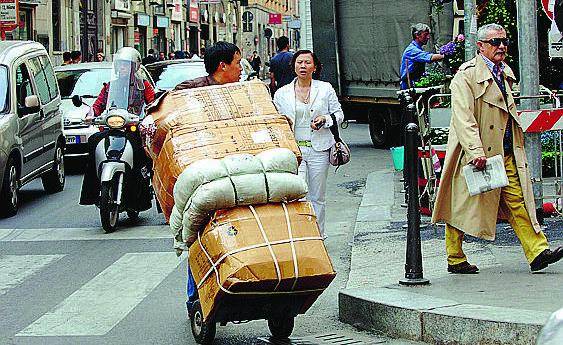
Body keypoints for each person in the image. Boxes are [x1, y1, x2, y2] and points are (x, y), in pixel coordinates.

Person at [431, 23, 563, 274]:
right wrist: (475, 151)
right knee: (461, 206)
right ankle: (455, 257)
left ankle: (537, 252)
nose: (501, 46)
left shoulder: (504, 72)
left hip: (504, 152)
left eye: (504, 41)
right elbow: (463, 117)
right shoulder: (466, 75)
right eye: (495, 42)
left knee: (518, 201)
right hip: (474, 154)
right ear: (480, 46)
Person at [170, 41, 243, 318]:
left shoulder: (243, 92)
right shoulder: (189, 91)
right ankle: (195, 297)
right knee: (199, 237)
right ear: (222, 66)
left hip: (236, 172)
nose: (241, 69)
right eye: (237, 63)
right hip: (203, 176)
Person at [273, 50, 344, 238]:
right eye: (299, 62)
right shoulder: (282, 93)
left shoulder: (325, 88)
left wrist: (325, 119)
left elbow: (339, 114)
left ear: (315, 67)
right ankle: (302, 236)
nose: (303, 66)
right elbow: (275, 121)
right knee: (298, 193)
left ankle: (318, 236)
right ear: (294, 66)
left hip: (319, 148)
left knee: (317, 196)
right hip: (295, 151)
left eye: (307, 62)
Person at [79, 47, 155, 210]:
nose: (122, 68)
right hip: (112, 127)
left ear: (134, 66)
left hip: (134, 128)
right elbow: (98, 104)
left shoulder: (144, 86)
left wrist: (149, 117)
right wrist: (91, 114)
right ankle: (92, 191)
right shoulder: (109, 86)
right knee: (93, 142)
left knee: (144, 153)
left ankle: (147, 192)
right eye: (120, 65)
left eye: (126, 65)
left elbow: (152, 104)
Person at [399, 23, 445, 89]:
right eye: (426, 34)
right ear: (417, 35)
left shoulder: (418, 48)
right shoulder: (412, 50)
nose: (428, 37)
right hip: (409, 87)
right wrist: (445, 55)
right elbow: (429, 57)